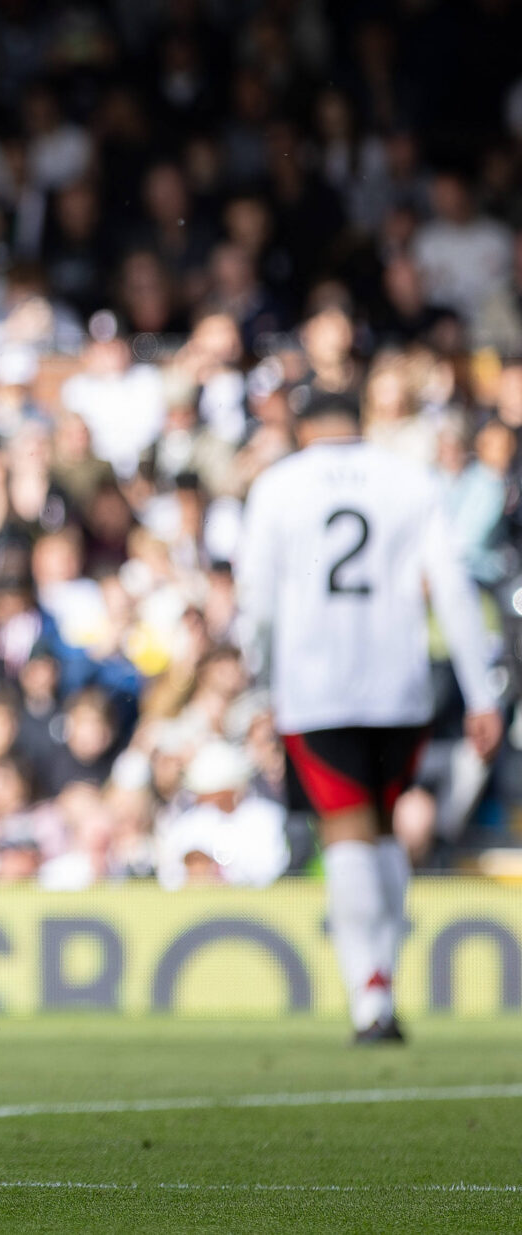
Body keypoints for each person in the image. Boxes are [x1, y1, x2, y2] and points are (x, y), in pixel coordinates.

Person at [235, 388, 504, 1043]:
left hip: (316, 685)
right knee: (382, 826)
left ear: (304, 431)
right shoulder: (409, 481)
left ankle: (370, 993)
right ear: (355, 426)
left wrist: (260, 680)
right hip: (399, 685)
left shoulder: (279, 485)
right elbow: (452, 585)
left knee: (347, 830)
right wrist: (482, 691)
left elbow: (258, 601)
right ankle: (383, 979)